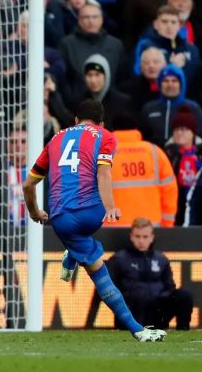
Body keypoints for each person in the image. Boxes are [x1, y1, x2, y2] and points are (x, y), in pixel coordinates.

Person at [23, 99, 166, 343]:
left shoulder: (56, 139)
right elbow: (104, 172)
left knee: (95, 268)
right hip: (93, 214)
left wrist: (36, 212)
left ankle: (72, 255)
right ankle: (138, 330)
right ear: (101, 122)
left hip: (60, 219)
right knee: (100, 274)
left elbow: (28, 185)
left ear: (75, 121)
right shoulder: (105, 135)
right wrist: (110, 207)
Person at [108, 218, 193, 331]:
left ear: (152, 237)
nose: (141, 241)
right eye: (138, 236)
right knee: (138, 295)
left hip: (157, 312)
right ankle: (134, 328)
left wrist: (157, 298)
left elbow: (170, 287)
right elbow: (109, 289)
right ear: (131, 237)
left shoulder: (161, 259)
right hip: (131, 313)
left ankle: (183, 331)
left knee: (184, 295)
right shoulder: (118, 259)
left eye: (145, 237)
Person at [109, 114, 178, 228]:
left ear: (112, 130)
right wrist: (167, 225)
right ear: (136, 129)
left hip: (111, 230)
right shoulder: (155, 152)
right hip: (149, 229)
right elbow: (170, 190)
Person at [164, 106, 202, 223]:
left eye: (184, 129)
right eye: (176, 129)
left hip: (201, 204)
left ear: (192, 132)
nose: (179, 133)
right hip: (176, 204)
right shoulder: (167, 152)